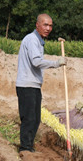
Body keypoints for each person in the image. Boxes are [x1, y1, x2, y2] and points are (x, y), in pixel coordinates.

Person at [15, 13, 65, 153]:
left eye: (50, 25)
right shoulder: (31, 39)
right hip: (27, 85)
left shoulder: (39, 41)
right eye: (45, 25)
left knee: (35, 119)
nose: (48, 28)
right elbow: (36, 62)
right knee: (29, 118)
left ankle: (28, 147)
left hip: (34, 85)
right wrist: (56, 63)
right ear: (37, 25)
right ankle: (25, 149)